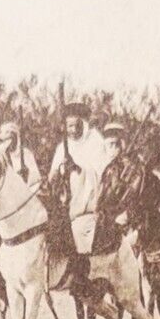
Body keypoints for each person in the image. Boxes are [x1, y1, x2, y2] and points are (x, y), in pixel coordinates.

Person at [48, 98, 109, 279]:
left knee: (79, 231)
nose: (73, 131)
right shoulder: (62, 147)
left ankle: (83, 275)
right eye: (69, 127)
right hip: (65, 201)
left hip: (87, 204)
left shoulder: (96, 142)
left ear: (83, 124)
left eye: (76, 126)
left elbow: (101, 174)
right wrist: (58, 173)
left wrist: (77, 169)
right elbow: (52, 176)